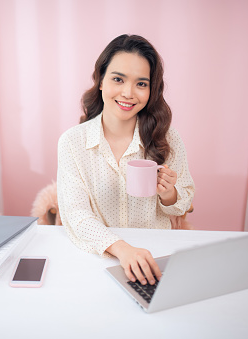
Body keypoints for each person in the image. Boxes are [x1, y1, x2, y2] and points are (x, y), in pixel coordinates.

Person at [56, 34, 195, 286]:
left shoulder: (167, 138)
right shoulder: (72, 143)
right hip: (99, 257)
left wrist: (169, 193)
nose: (128, 93)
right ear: (100, 81)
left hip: (155, 257)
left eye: (141, 84)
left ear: (152, 90)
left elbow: (182, 206)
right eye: (118, 79)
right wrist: (122, 249)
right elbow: (76, 215)